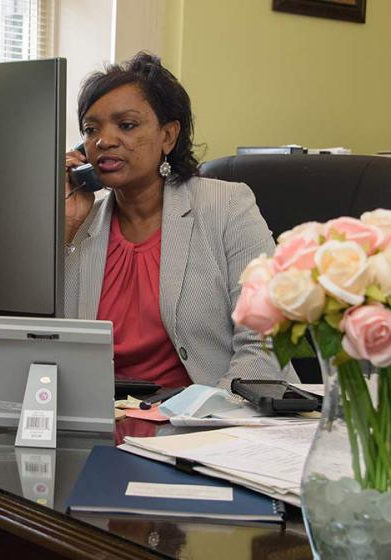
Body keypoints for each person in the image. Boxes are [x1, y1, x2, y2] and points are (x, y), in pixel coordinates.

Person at [63, 51, 297, 388]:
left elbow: (266, 341)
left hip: (208, 421)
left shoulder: (228, 207)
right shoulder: (80, 225)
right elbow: (33, 344)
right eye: (90, 129)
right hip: (104, 420)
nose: (104, 141)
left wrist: (207, 416)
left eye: (126, 125)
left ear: (168, 136)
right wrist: (65, 229)